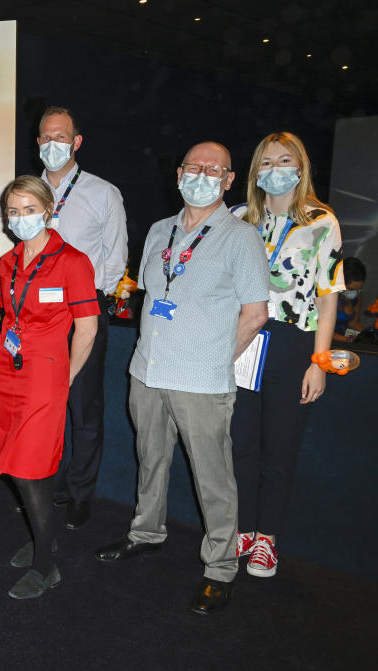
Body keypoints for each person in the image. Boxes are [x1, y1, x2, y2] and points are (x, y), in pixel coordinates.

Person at [95, 142, 269, 615]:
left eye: (214, 169)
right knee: (150, 459)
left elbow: (255, 315)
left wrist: (214, 359)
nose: (202, 174)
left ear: (230, 180)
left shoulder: (241, 237)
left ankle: (220, 568)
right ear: (178, 174)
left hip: (202, 380)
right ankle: (146, 533)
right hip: (147, 369)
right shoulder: (159, 230)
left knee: (213, 478)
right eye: (194, 167)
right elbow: (155, 293)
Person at [230, 132, 346, 578]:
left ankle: (267, 538)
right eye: (266, 161)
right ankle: (241, 528)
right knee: (240, 441)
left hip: (294, 341)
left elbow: (329, 297)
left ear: (301, 166)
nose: (275, 169)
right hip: (243, 338)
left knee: (279, 445)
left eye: (285, 160)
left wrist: (319, 363)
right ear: (255, 170)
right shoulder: (240, 218)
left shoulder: (321, 220)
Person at [0, 176, 99, 598]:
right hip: (7, 370)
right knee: (11, 464)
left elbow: (87, 329)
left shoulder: (73, 261)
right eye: (13, 211)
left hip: (46, 376)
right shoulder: (7, 261)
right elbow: (9, 317)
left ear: (48, 210)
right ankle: (42, 537)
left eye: (29, 209)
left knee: (32, 469)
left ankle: (46, 565)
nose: (20, 218)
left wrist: (64, 378)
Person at [37, 106, 128, 528]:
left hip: (82, 311)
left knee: (83, 406)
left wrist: (91, 300)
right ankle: (46, 480)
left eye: (62, 137)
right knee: (42, 402)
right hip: (37, 313)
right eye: (45, 137)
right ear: (37, 142)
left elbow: (115, 256)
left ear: (76, 142)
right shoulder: (27, 191)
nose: (53, 145)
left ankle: (80, 492)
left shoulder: (102, 192)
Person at [335, 257, 366, 337]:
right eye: (351, 289)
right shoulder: (330, 297)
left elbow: (353, 323)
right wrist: (347, 340)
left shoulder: (357, 296)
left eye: (358, 289)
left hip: (345, 339)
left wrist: (368, 336)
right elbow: (321, 330)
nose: (355, 293)